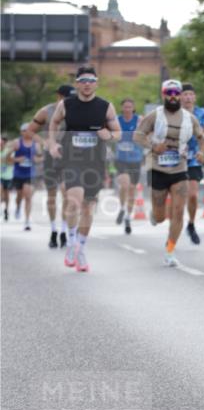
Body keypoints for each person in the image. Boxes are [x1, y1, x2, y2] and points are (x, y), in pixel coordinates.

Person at [48, 67, 121, 272]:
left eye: (91, 80)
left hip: (95, 162)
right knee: (73, 200)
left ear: (96, 83)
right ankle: (71, 243)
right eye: (83, 80)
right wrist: (52, 144)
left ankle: (81, 248)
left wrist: (109, 135)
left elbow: (118, 133)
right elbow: (54, 122)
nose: (87, 84)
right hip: (72, 159)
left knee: (88, 208)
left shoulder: (106, 106)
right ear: (77, 84)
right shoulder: (66, 104)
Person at [133, 79, 204, 267]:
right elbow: (138, 135)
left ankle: (170, 250)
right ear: (163, 95)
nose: (173, 97)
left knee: (178, 211)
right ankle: (155, 213)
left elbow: (201, 137)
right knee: (160, 217)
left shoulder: (189, 118)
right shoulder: (155, 115)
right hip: (157, 168)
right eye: (169, 93)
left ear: (180, 95)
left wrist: (201, 152)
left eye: (176, 93)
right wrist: (153, 146)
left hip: (180, 168)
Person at [26, 83, 75, 247]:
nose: (71, 101)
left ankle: (63, 231)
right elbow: (30, 131)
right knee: (52, 195)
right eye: (68, 97)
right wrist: (44, 142)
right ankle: (54, 230)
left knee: (67, 193)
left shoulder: (77, 111)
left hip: (70, 156)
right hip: (51, 157)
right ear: (59, 96)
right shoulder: (46, 111)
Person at [180, 83, 204, 245]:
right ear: (180, 97)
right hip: (177, 159)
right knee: (178, 196)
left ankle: (191, 224)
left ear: (195, 97)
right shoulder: (174, 113)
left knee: (192, 195)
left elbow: (203, 133)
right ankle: (174, 228)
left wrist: (202, 151)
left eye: (191, 94)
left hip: (194, 159)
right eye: (185, 94)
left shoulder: (201, 112)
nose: (188, 97)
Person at [114, 98, 144, 235]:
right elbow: (110, 134)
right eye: (125, 107)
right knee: (125, 185)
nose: (127, 109)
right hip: (121, 159)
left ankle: (127, 217)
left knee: (132, 189)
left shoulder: (139, 120)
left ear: (133, 108)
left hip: (135, 159)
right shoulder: (116, 120)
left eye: (129, 107)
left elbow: (146, 134)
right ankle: (122, 208)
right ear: (122, 108)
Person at [9, 124, 43, 230]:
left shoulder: (36, 144)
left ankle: (27, 221)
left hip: (30, 174)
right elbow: (7, 158)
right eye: (24, 130)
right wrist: (17, 159)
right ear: (21, 132)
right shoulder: (16, 143)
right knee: (19, 196)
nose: (26, 132)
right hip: (18, 173)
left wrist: (37, 159)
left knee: (28, 196)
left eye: (29, 130)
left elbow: (41, 158)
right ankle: (18, 206)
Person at [1, 136, 14, 221]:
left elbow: (11, 162)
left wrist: (5, 160)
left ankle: (6, 209)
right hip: (0, 176)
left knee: (7, 195)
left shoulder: (9, 152)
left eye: (3, 143)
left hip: (8, 176)